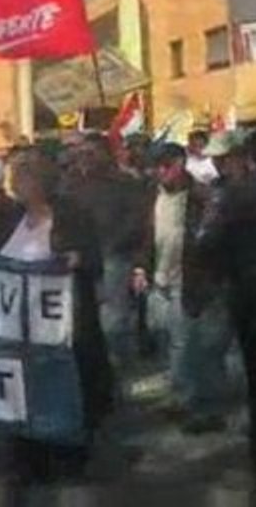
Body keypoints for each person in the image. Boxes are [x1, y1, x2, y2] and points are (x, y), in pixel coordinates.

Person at [0, 148, 113, 483]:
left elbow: (93, 260)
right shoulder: (8, 218)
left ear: (36, 182)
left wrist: (75, 260)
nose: (13, 185)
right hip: (21, 330)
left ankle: (70, 453)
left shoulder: (70, 215)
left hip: (65, 328)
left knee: (66, 389)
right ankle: (28, 455)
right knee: (26, 394)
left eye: (19, 178)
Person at [199, 126, 256, 483]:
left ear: (252, 157)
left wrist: (222, 276)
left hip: (253, 299)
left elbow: (208, 245)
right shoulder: (239, 194)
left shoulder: (236, 196)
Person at [131, 143, 228, 433]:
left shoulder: (201, 197)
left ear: (180, 163)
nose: (161, 172)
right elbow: (146, 235)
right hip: (157, 280)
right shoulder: (152, 195)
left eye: (166, 166)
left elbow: (210, 241)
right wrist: (140, 267)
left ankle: (198, 404)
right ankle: (182, 392)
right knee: (164, 338)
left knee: (186, 344)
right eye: (156, 167)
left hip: (187, 282)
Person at [71, 134, 151, 369]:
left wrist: (116, 246)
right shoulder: (72, 185)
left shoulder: (125, 184)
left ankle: (120, 368)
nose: (86, 159)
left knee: (114, 323)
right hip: (82, 262)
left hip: (114, 258)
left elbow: (138, 220)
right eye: (82, 154)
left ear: (106, 153)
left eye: (91, 153)